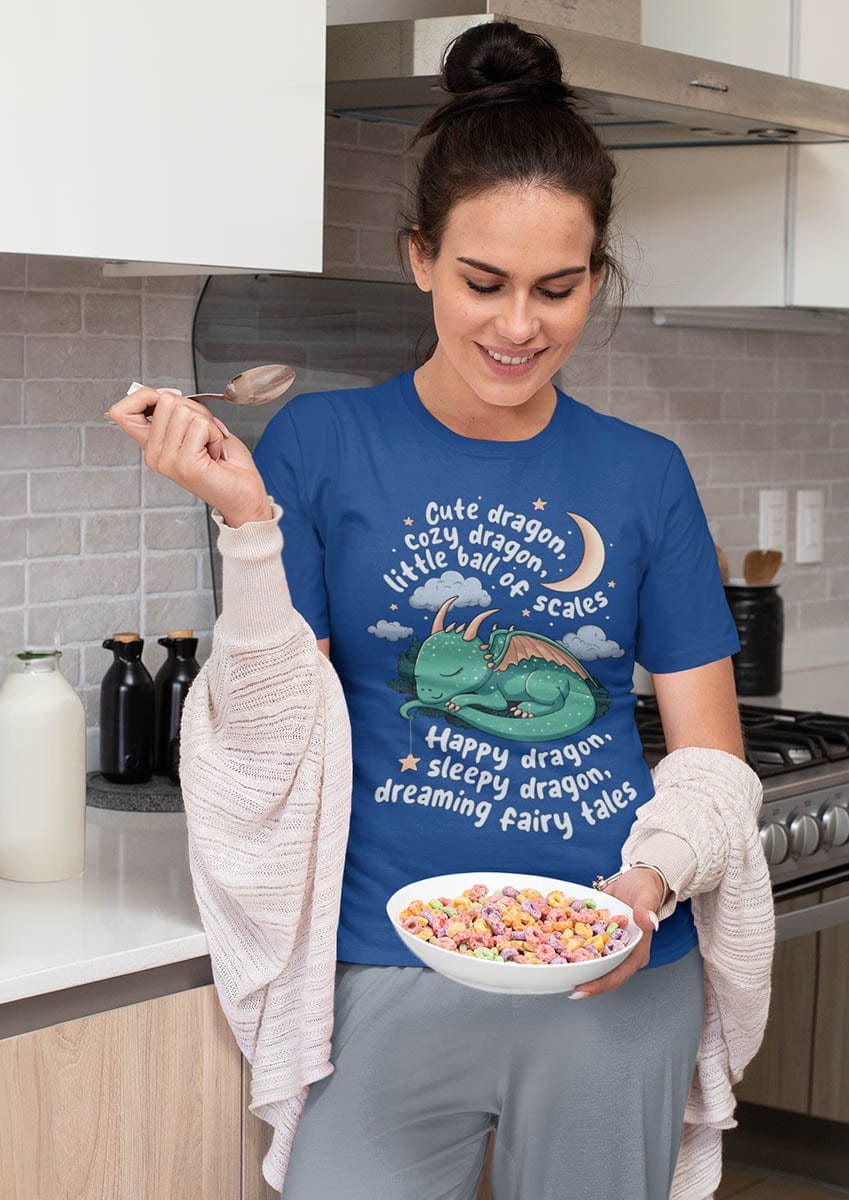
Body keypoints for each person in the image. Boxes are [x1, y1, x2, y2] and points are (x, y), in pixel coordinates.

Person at [110, 21, 770, 1200]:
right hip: (382, 956)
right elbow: (273, 739)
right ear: (420, 257)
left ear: (596, 280)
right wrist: (247, 524)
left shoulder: (645, 473)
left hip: (612, 961)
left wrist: (648, 891)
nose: (518, 327)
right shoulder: (317, 443)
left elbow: (713, 760)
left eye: (557, 290)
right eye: (484, 282)